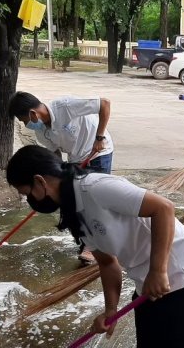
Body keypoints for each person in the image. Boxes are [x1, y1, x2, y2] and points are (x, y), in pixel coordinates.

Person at [6, 145, 184, 347]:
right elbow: (106, 263)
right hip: (145, 280)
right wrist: (110, 309)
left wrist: (158, 270)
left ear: (40, 181)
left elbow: (163, 208)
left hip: (179, 270)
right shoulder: (74, 209)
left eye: (27, 193)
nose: (29, 200)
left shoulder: (96, 187)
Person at [9, 91, 114, 263]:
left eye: (24, 121)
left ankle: (97, 246)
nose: (25, 124)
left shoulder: (65, 106)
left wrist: (99, 137)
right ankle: (88, 241)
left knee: (95, 200)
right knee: (77, 201)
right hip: (76, 159)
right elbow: (55, 156)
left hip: (98, 152)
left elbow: (104, 104)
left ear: (32, 114)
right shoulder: (41, 132)